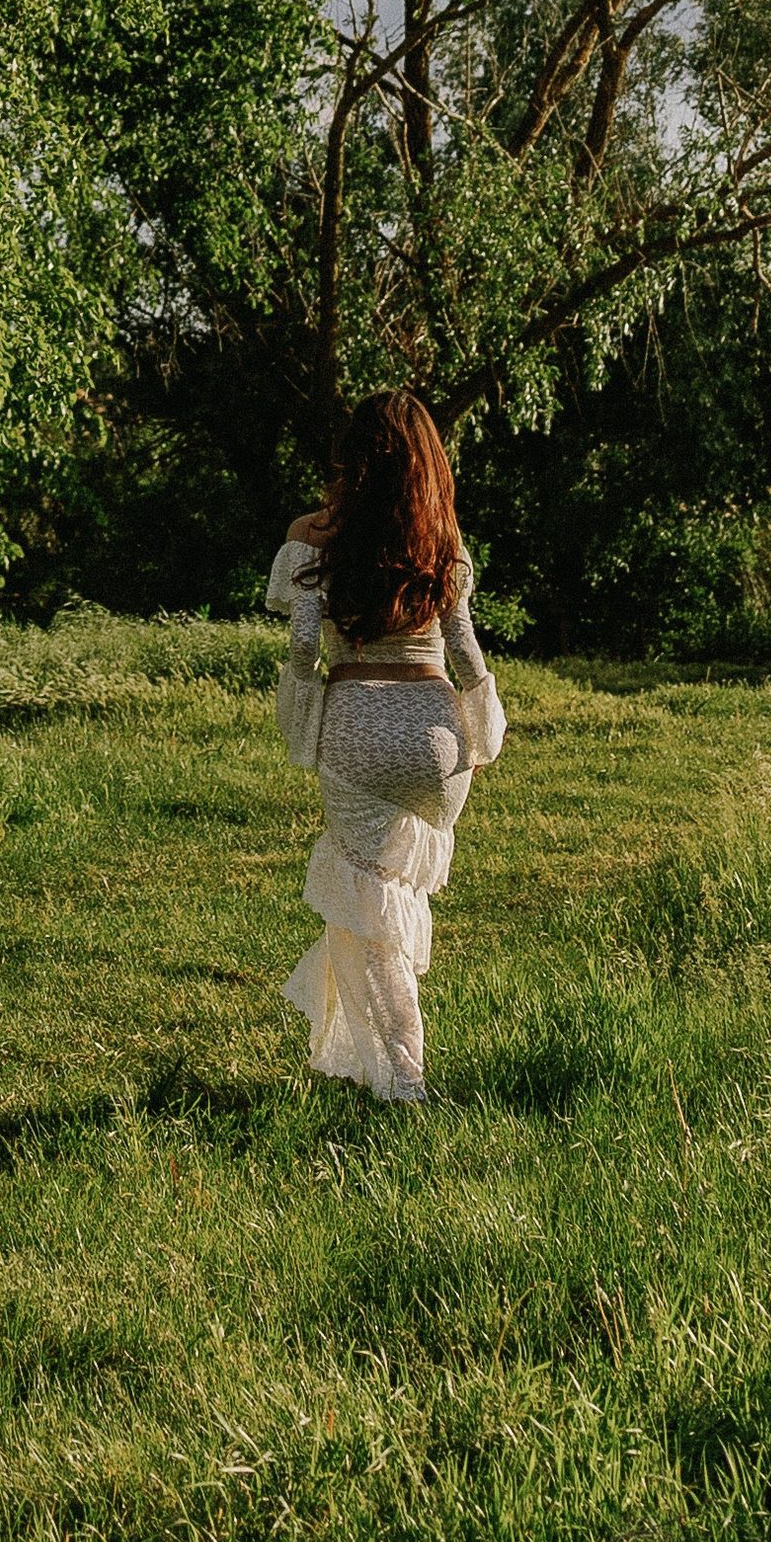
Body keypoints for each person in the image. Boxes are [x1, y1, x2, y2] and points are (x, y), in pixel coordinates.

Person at [264, 389, 506, 1104]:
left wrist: (302, 724)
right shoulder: (442, 539)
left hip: (360, 731)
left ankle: (403, 1081)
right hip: (438, 740)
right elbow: (462, 648)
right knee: (388, 904)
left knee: (366, 914)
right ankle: (374, 1065)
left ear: (353, 458)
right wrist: (482, 729)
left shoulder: (314, 535)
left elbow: (305, 646)